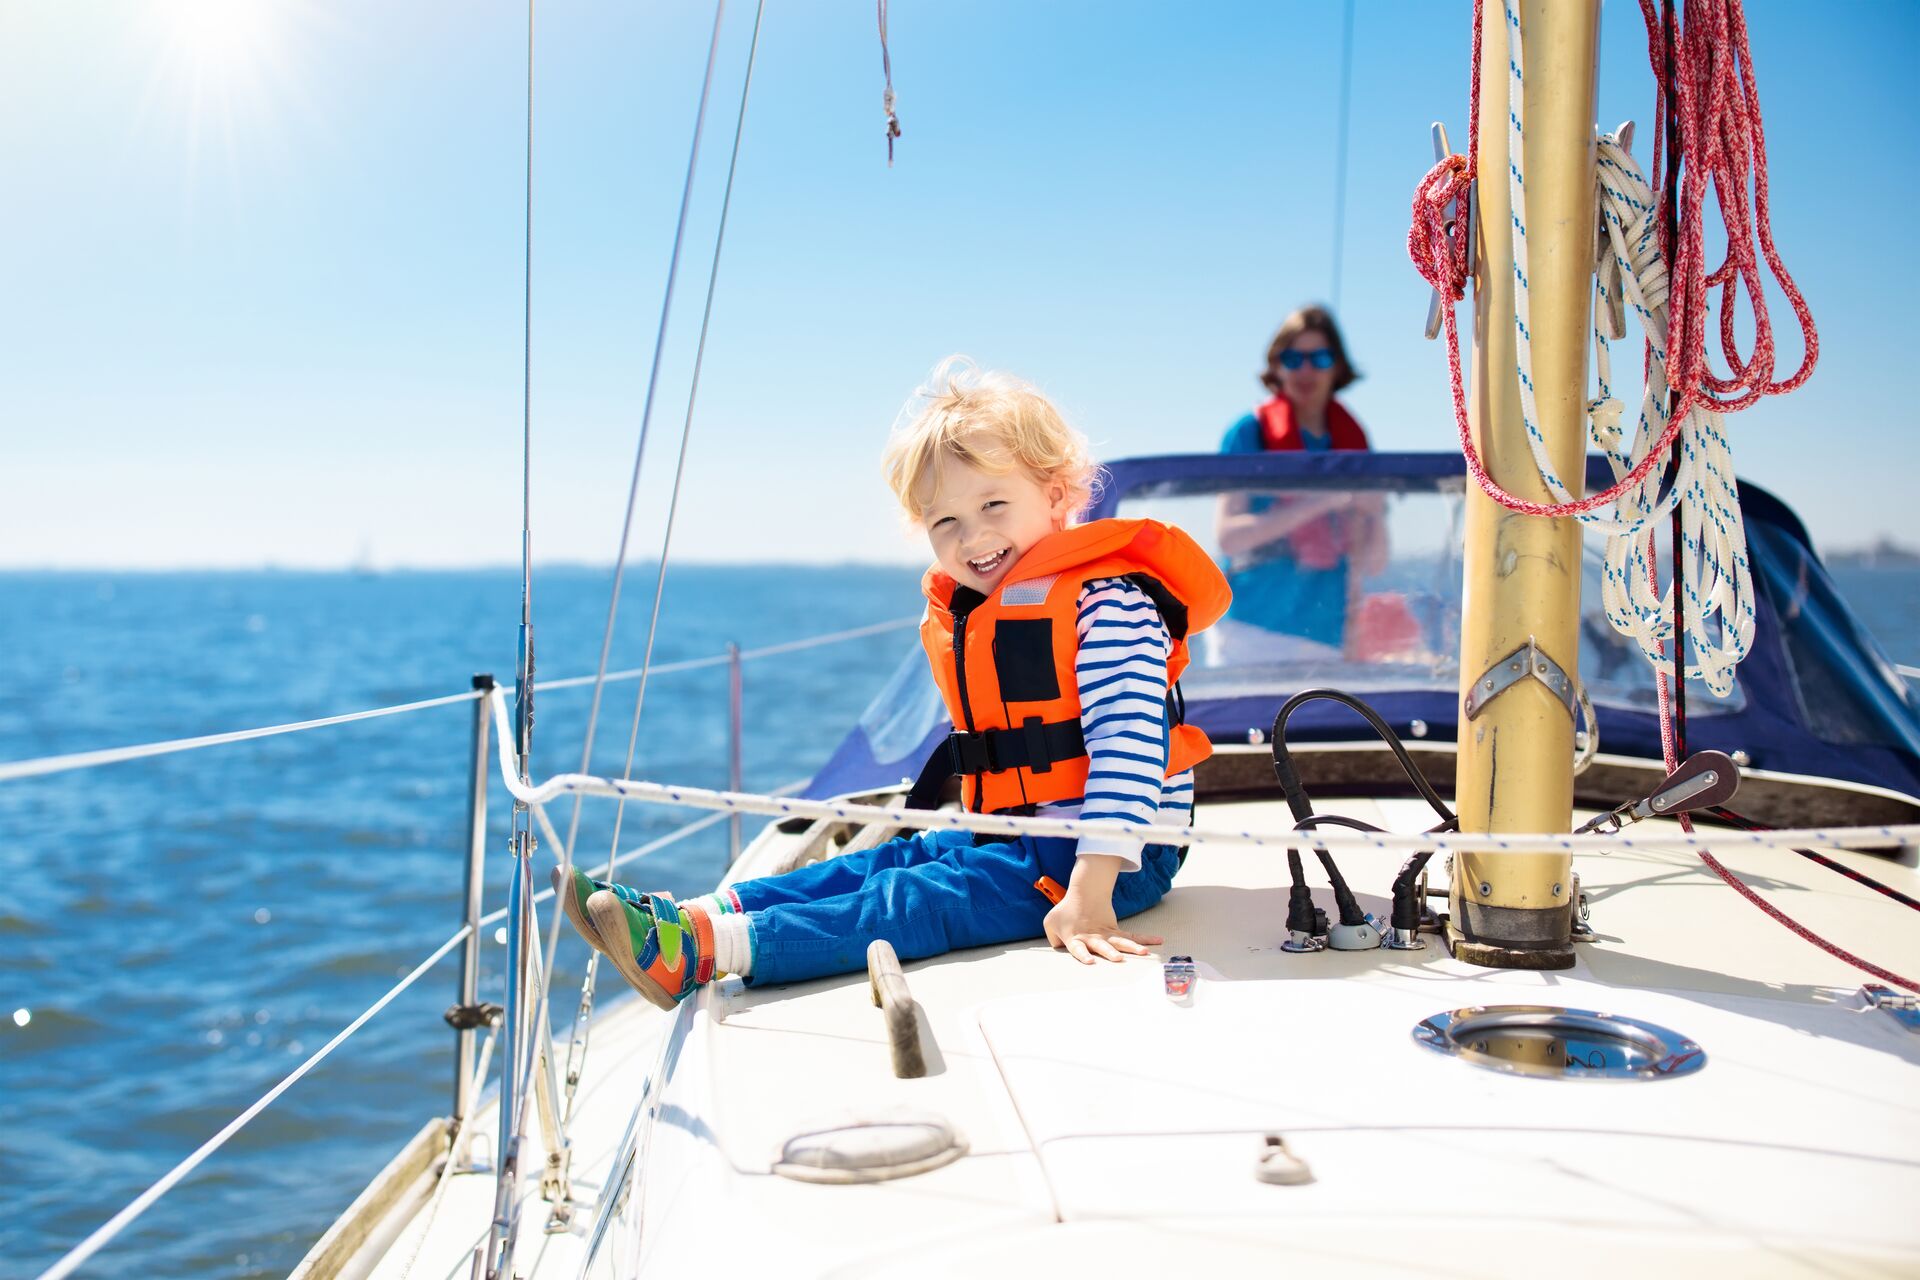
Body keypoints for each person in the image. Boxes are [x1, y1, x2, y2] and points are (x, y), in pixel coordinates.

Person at [555, 358, 1232, 1007]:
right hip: (1019, 832)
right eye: (947, 522)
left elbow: (1131, 743)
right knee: (883, 864)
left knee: (918, 902)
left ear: (1056, 494)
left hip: (1118, 859)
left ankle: (709, 951)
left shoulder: (1108, 600)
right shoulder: (998, 599)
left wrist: (1092, 885)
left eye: (995, 504)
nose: (974, 537)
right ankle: (689, 918)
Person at [1214, 305, 1385, 654]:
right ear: (1277, 366)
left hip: (1329, 637)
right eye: (1293, 359)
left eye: (1319, 359)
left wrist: (1374, 514)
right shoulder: (1248, 434)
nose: (1306, 370)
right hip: (1251, 633)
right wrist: (1324, 500)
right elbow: (1229, 537)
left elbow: (1374, 562)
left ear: (1337, 367)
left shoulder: (1353, 440)